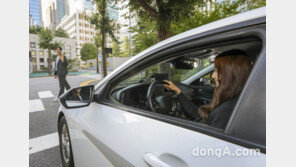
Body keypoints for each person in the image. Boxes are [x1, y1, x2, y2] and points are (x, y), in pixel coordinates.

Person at [163, 49, 252, 130]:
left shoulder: (225, 112)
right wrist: (178, 91)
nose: (213, 76)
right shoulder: (234, 99)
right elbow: (199, 115)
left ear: (230, 75)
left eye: (216, 71)